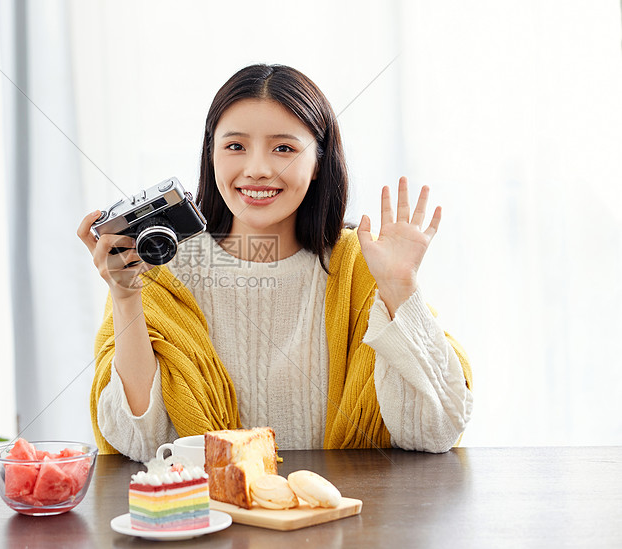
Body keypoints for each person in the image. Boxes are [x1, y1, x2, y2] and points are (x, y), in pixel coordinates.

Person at [77, 64, 473, 462]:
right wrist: (126, 298)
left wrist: (400, 290)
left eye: (284, 148)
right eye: (235, 146)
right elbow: (140, 444)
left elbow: (435, 429)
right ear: (210, 155)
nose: (258, 169)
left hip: (343, 516)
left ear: (318, 161)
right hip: (214, 517)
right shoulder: (160, 271)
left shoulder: (362, 266)